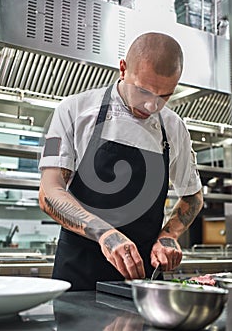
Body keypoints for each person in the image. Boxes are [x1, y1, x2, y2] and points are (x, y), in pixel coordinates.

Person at [38, 32, 203, 291]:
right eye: (143, 91)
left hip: (141, 282)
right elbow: (49, 192)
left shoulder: (174, 128)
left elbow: (193, 196)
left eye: (164, 96)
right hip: (78, 276)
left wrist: (169, 236)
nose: (151, 105)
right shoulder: (73, 111)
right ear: (123, 69)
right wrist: (104, 233)